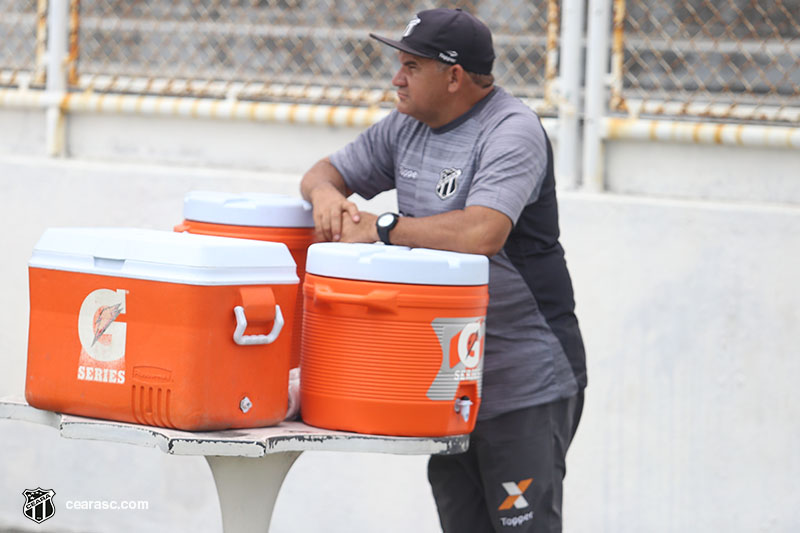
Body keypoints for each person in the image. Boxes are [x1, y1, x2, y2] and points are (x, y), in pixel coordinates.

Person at [300, 8, 586, 532]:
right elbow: (324, 172)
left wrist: (383, 227)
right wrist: (325, 195)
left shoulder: (512, 130)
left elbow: (482, 234)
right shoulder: (405, 125)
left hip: (522, 383)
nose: (396, 78)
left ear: (454, 77)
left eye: (411, 66)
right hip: (448, 386)